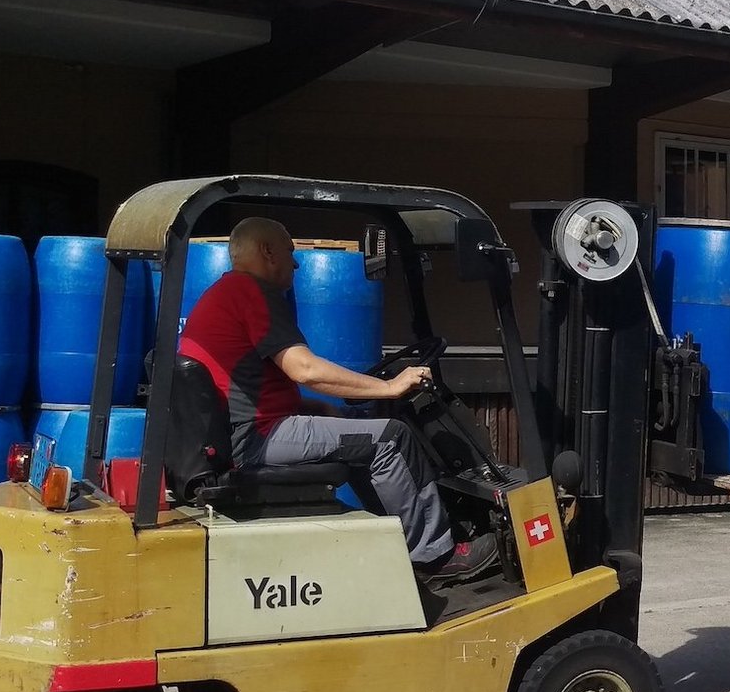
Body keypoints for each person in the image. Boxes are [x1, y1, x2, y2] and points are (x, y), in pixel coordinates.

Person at [178, 216, 498, 583]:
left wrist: (313, 407)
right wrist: (390, 387)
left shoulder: (223, 294)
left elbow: (244, 385)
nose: (296, 264)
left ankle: (389, 539)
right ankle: (435, 555)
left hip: (248, 434)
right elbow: (305, 370)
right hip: (257, 440)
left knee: (360, 433)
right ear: (267, 251)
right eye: (289, 252)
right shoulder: (251, 293)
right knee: (391, 438)